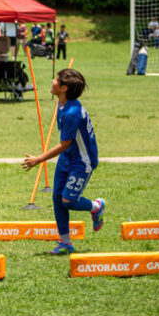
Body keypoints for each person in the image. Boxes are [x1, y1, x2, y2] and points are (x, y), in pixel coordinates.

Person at [21, 68, 104, 255]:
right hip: (67, 158)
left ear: (64, 88)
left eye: (56, 79)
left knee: (68, 201)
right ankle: (65, 243)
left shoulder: (72, 112)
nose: (52, 81)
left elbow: (64, 144)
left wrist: (38, 159)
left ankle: (96, 207)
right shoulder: (63, 103)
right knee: (58, 198)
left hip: (82, 161)